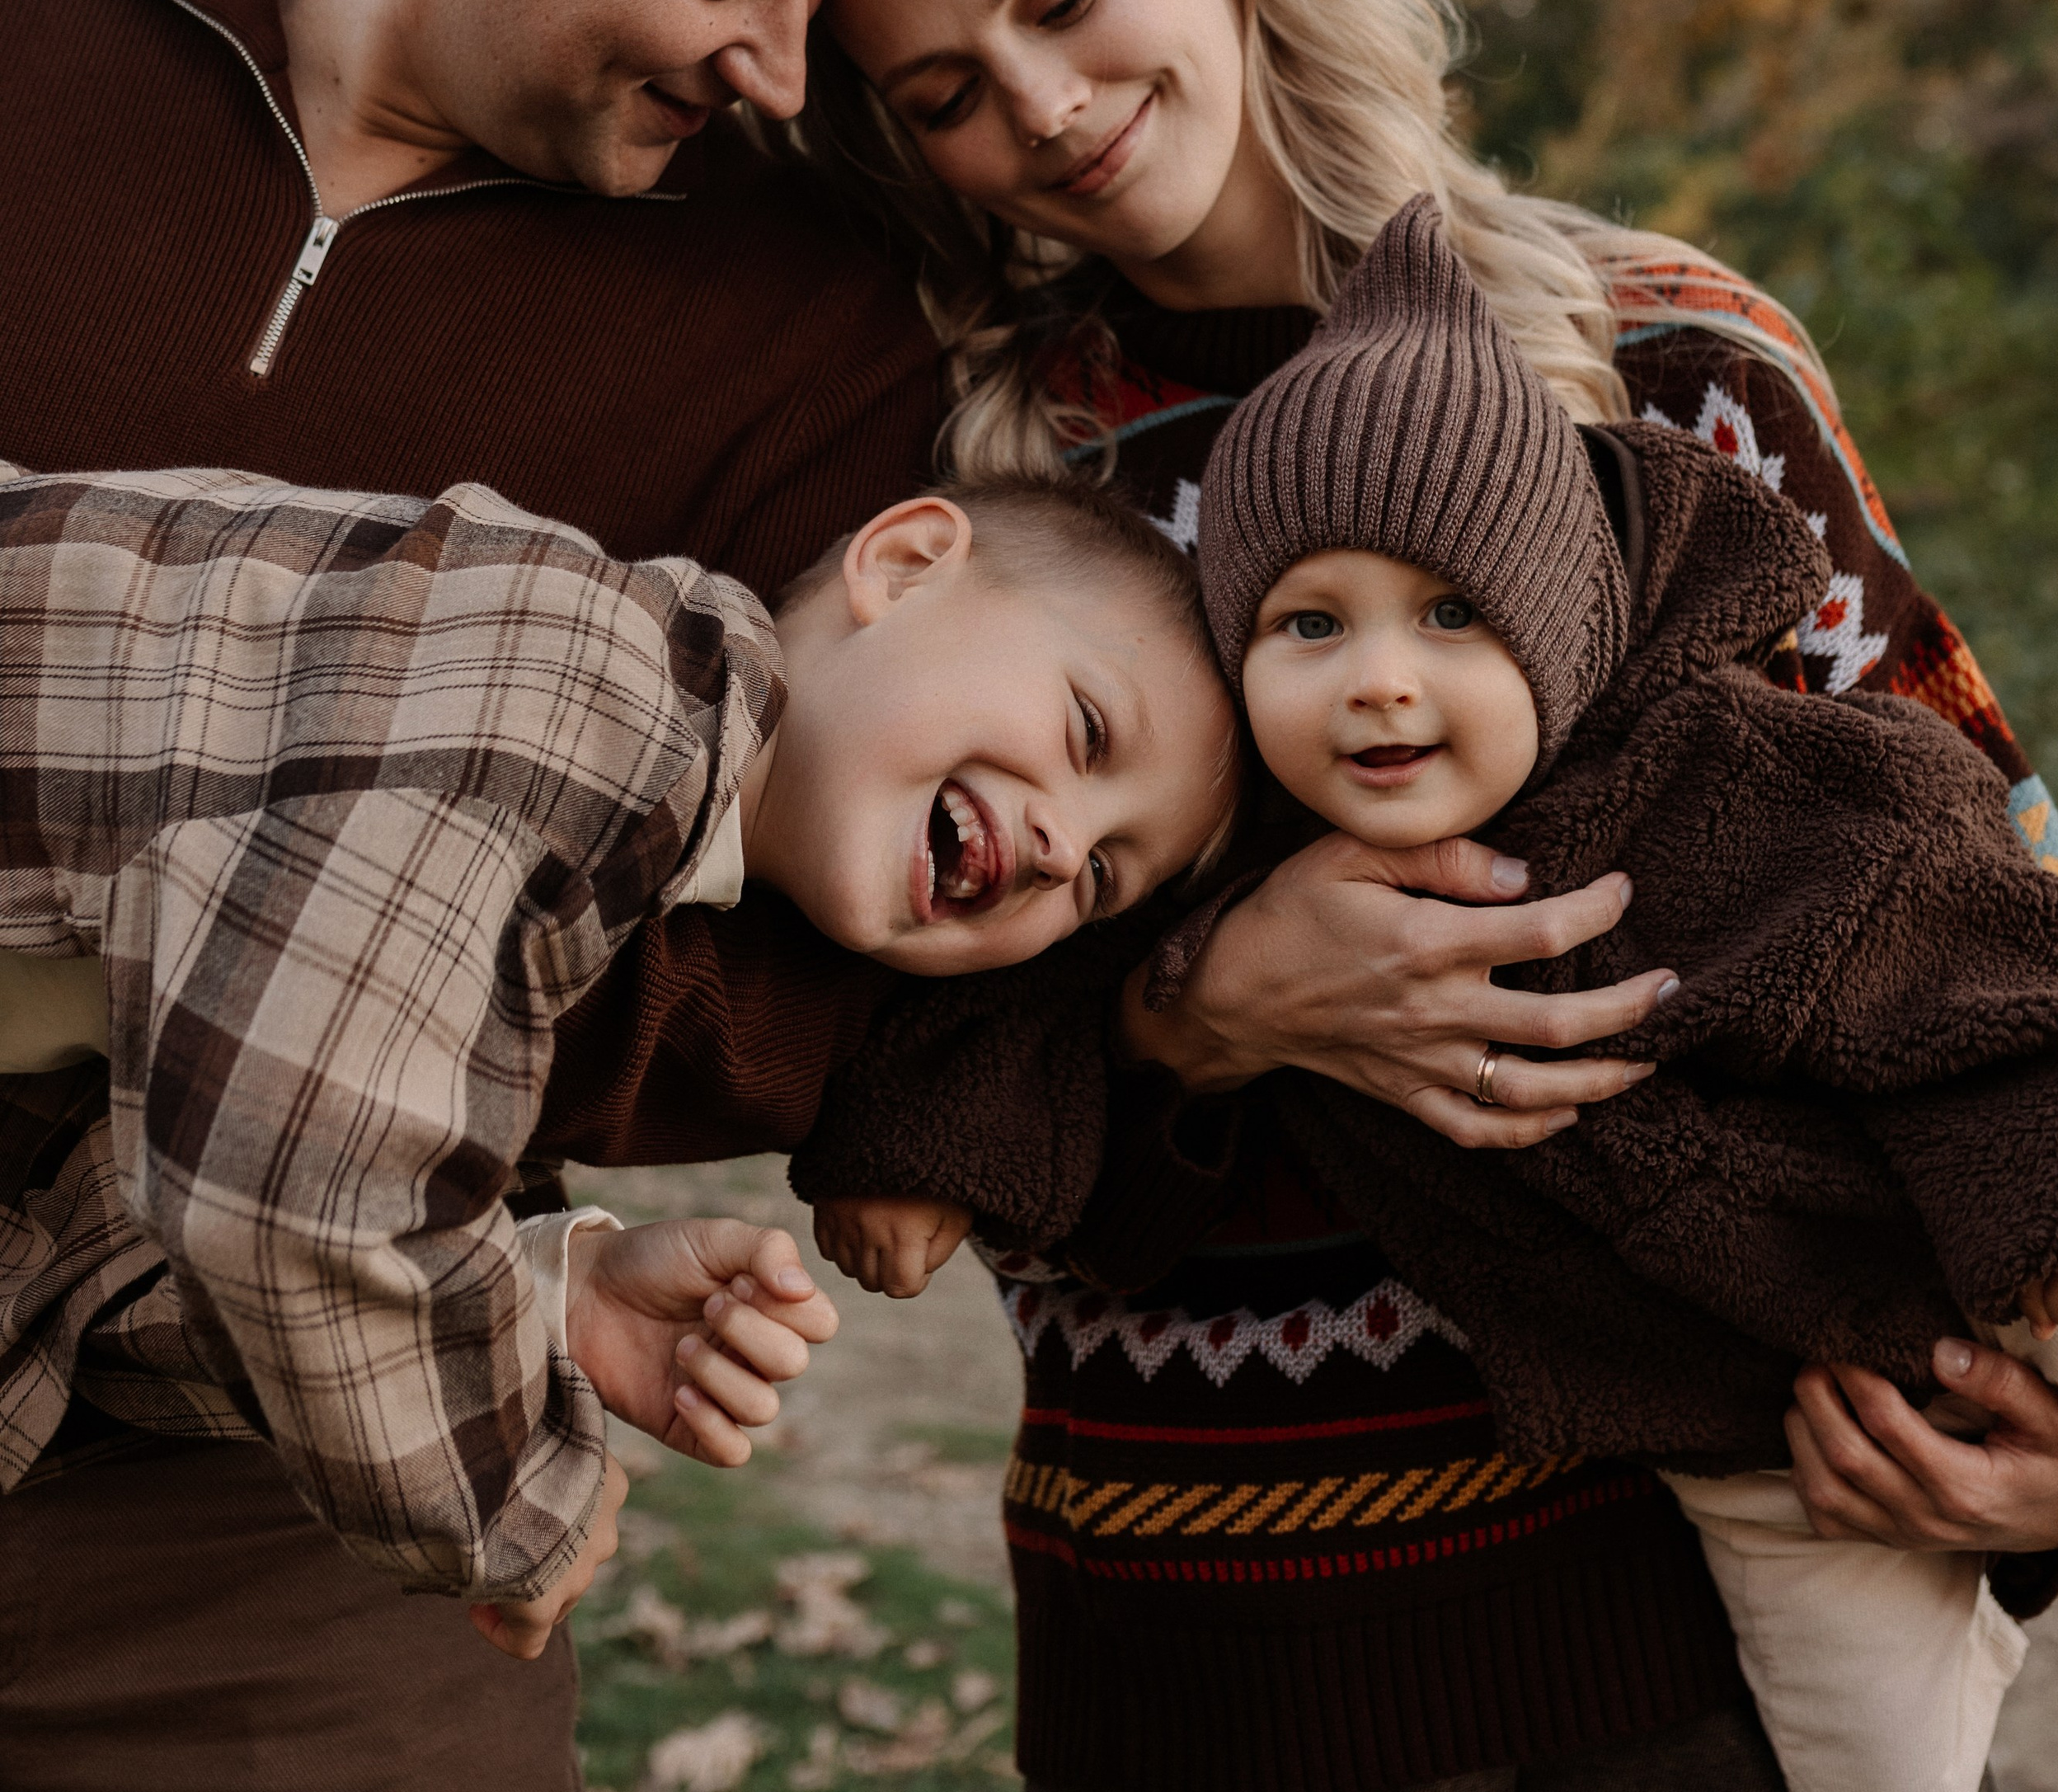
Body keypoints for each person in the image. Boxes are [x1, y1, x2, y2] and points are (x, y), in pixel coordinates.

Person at [782, 0, 2058, 1792]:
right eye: (947, 92)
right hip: (1230, 1594)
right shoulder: (977, 483)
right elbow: (868, 1034)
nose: (1046, 109)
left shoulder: (1670, 366)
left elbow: (1983, 899)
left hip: (1723, 1555)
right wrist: (1197, 1005)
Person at [0, 0, 947, 1792]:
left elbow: (802, 916)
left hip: (289, 1474)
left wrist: (498, 1235)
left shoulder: (792, 315)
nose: (786, 68)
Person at [1191, 195, 2058, 1792]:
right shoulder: (1238, 884)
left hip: (2002, 1239)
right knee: (1867, 1766)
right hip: (1756, 1419)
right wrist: (966, 1133)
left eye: (1450, 616)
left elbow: (1996, 959)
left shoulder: (1731, 786)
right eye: (1306, 624)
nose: (1377, 683)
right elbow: (1017, 1001)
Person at [0, 454, 1231, 1606]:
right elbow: (283, 1182)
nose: (1068, 846)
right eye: (1087, 733)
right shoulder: (579, 670)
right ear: (903, 564)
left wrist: (539, 1294)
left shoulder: (565, 903)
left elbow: (129, 1213)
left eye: (1105, 884)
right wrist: (522, 1506)